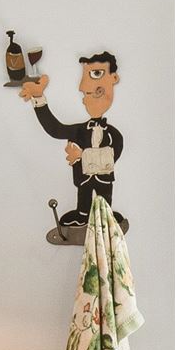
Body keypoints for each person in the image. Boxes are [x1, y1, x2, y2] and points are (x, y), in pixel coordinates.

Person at [24, 50, 127, 243]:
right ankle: (82, 215)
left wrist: (82, 156)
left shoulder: (114, 135)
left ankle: (106, 218)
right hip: (83, 181)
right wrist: (39, 99)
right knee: (84, 204)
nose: (85, 93)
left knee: (104, 203)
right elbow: (55, 129)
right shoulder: (79, 131)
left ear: (113, 78)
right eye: (86, 94)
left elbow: (111, 157)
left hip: (104, 183)